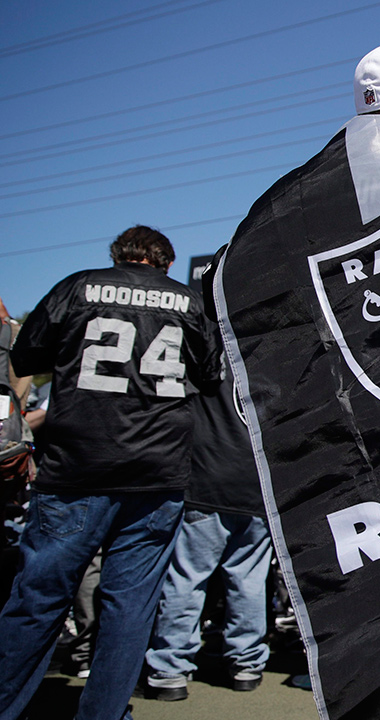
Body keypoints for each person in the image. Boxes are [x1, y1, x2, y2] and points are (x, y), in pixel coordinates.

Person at [0, 226, 220, 720]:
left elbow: (26, 356)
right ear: (165, 261)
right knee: (131, 609)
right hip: (156, 472)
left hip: (78, 467)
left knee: (38, 599)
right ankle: (104, 713)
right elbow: (210, 376)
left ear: (118, 256)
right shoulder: (188, 301)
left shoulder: (78, 287)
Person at [144, 283, 274, 701]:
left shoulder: (201, 342)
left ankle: (170, 671)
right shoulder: (270, 349)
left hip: (205, 479)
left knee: (187, 577)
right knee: (249, 579)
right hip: (257, 483)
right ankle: (247, 664)